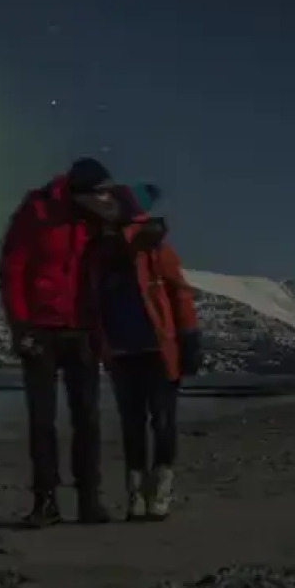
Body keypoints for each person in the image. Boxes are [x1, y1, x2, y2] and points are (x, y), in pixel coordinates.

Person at [0, 156, 122, 527]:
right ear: (78, 191)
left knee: (87, 418)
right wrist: (21, 326)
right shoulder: (36, 212)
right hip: (41, 330)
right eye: (98, 194)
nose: (104, 199)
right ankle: (45, 501)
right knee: (42, 420)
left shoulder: (102, 218)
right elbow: (12, 269)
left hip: (83, 329)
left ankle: (89, 500)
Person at [77, 191, 202, 522]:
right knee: (132, 426)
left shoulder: (153, 246)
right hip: (120, 353)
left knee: (161, 422)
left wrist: (189, 338)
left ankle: (158, 491)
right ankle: (136, 495)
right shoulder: (97, 255)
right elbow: (93, 305)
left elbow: (179, 292)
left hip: (157, 351)